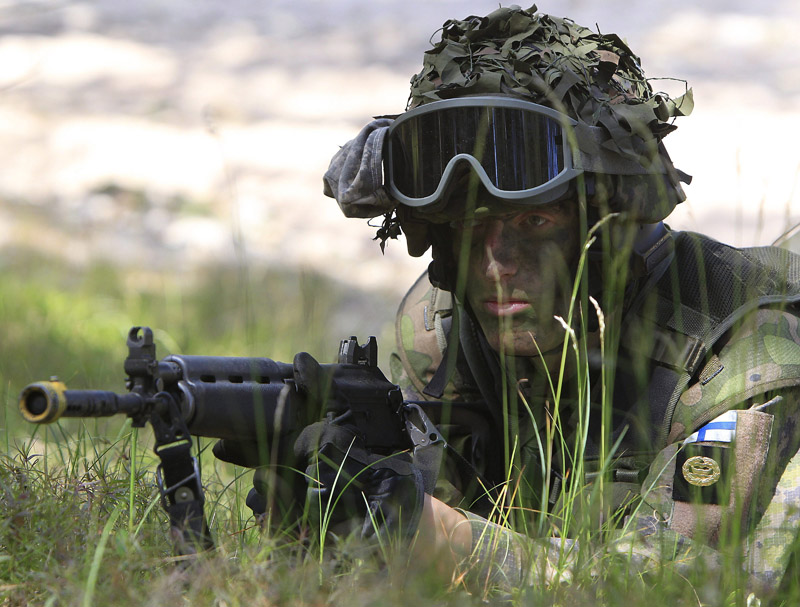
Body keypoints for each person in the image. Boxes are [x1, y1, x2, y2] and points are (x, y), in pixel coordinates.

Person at [220, 4, 800, 599]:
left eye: (536, 219)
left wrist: (414, 526)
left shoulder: (747, 350)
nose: (496, 264)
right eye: (471, 225)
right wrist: (330, 515)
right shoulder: (442, 331)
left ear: (613, 230)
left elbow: (669, 586)